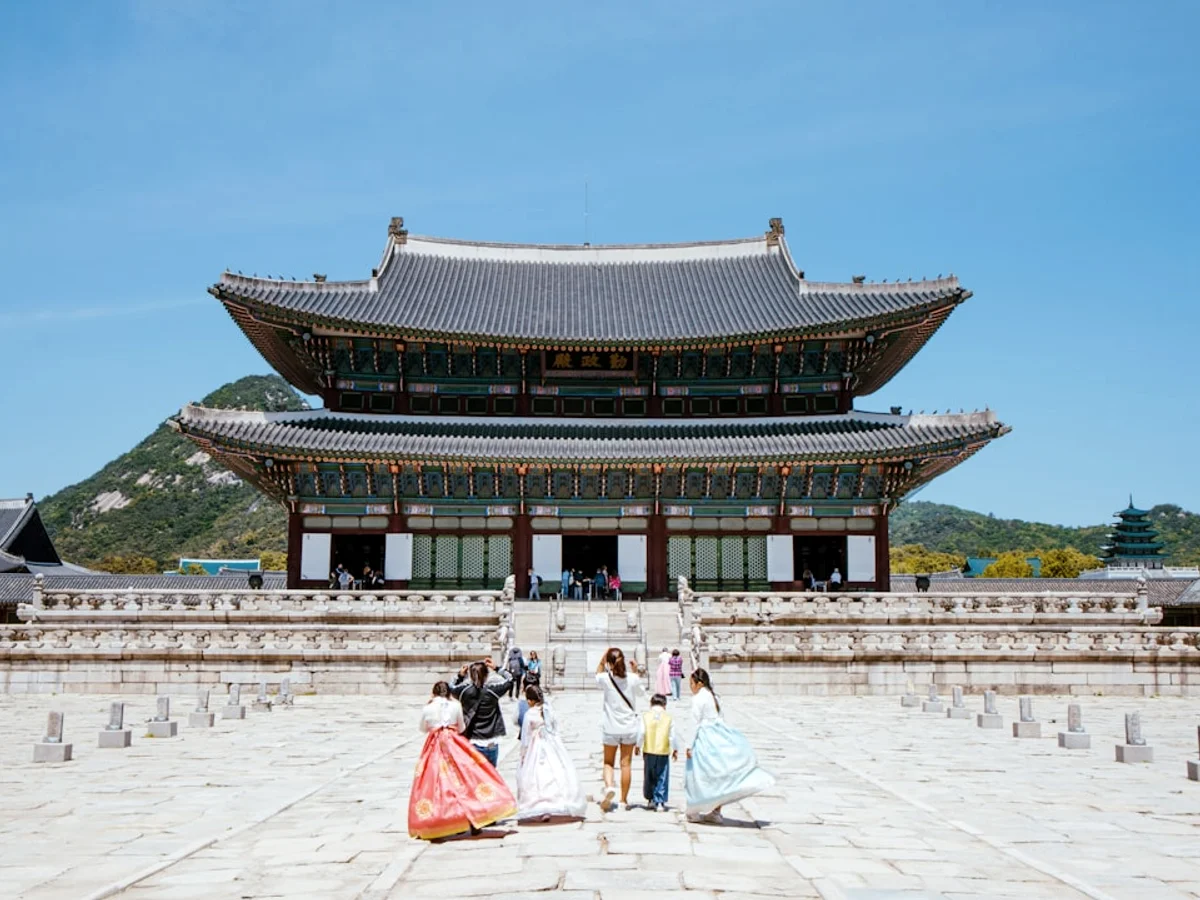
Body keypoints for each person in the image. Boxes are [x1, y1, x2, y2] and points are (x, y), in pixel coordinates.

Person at [408, 680, 517, 840]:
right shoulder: (456, 706)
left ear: (434, 693)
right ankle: (474, 821)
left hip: (435, 748)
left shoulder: (427, 708)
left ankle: (439, 822)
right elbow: (461, 728)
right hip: (455, 746)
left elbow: (423, 729)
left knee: (436, 784)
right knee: (465, 781)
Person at [684, 668, 775, 824]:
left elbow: (694, 722)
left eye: (691, 683)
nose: (690, 687)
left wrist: (688, 745)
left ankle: (694, 811)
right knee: (719, 775)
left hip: (704, 739)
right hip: (718, 738)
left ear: (699, 684)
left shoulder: (698, 698)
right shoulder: (714, 697)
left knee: (698, 774)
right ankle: (716, 811)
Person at [516, 686, 588, 821]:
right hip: (551, 745)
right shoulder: (549, 710)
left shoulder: (529, 714)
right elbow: (555, 729)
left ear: (530, 701)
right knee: (556, 772)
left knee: (536, 776)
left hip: (535, 748)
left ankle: (540, 805)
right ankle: (558, 801)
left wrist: (523, 755)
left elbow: (525, 737)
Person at [595, 647, 642, 811]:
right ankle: (623, 800)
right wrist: (636, 672)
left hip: (610, 727)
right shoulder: (633, 679)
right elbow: (641, 693)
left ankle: (609, 786)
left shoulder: (605, 678)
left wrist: (602, 661)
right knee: (626, 764)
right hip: (629, 727)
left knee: (608, 762)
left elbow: (597, 674)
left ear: (609, 663)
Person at [450, 659, 512, 768]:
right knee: (490, 776)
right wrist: (496, 668)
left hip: (473, 742)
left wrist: (460, 675)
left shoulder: (463, 692)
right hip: (491, 742)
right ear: (486, 675)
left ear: (470, 675)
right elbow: (510, 679)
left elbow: (451, 687)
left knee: (474, 776)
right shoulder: (493, 691)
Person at [636, 693, 678, 811]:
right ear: (665, 705)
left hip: (649, 750)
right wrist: (675, 749)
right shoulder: (668, 717)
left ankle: (650, 799)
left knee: (649, 775)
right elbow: (672, 736)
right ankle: (660, 801)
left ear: (651, 704)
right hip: (663, 751)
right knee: (662, 776)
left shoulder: (646, 716)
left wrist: (638, 745)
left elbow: (641, 732)